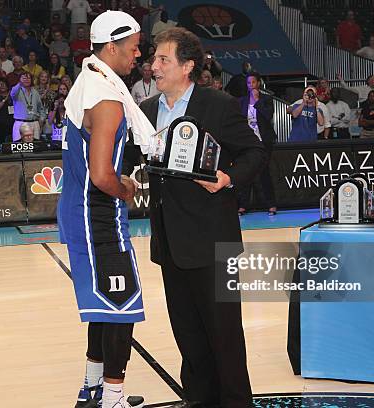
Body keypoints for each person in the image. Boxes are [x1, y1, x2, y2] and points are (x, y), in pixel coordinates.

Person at [138, 27, 265, 408]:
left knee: (224, 334)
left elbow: (255, 153)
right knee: (188, 335)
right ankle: (198, 400)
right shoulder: (145, 112)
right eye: (153, 59)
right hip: (170, 242)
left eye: (163, 59)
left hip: (213, 241)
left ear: (188, 66)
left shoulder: (218, 104)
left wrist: (227, 179)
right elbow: (132, 162)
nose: (153, 66)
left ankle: (236, 402)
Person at [60, 10, 151, 408]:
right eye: (133, 47)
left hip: (79, 213)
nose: (138, 54)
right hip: (97, 217)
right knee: (122, 307)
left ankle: (92, 388)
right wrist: (126, 188)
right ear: (111, 47)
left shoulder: (87, 81)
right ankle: (113, 399)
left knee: (102, 307)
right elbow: (101, 175)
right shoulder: (107, 98)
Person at [238, 71, 277, 216]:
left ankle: (271, 204)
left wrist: (257, 101)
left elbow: (268, 116)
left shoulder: (266, 99)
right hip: (248, 142)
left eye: (253, 82)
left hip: (264, 141)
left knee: (264, 173)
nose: (251, 85)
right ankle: (243, 205)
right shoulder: (241, 101)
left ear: (258, 83)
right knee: (246, 173)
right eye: (249, 83)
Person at [10, 72, 44, 141]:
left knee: (35, 147)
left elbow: (40, 108)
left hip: (34, 123)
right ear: (19, 80)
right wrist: (20, 83)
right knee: (19, 148)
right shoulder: (16, 91)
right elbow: (12, 93)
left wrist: (42, 119)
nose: (26, 80)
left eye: (28, 78)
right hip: (20, 123)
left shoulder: (35, 92)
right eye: (24, 78)